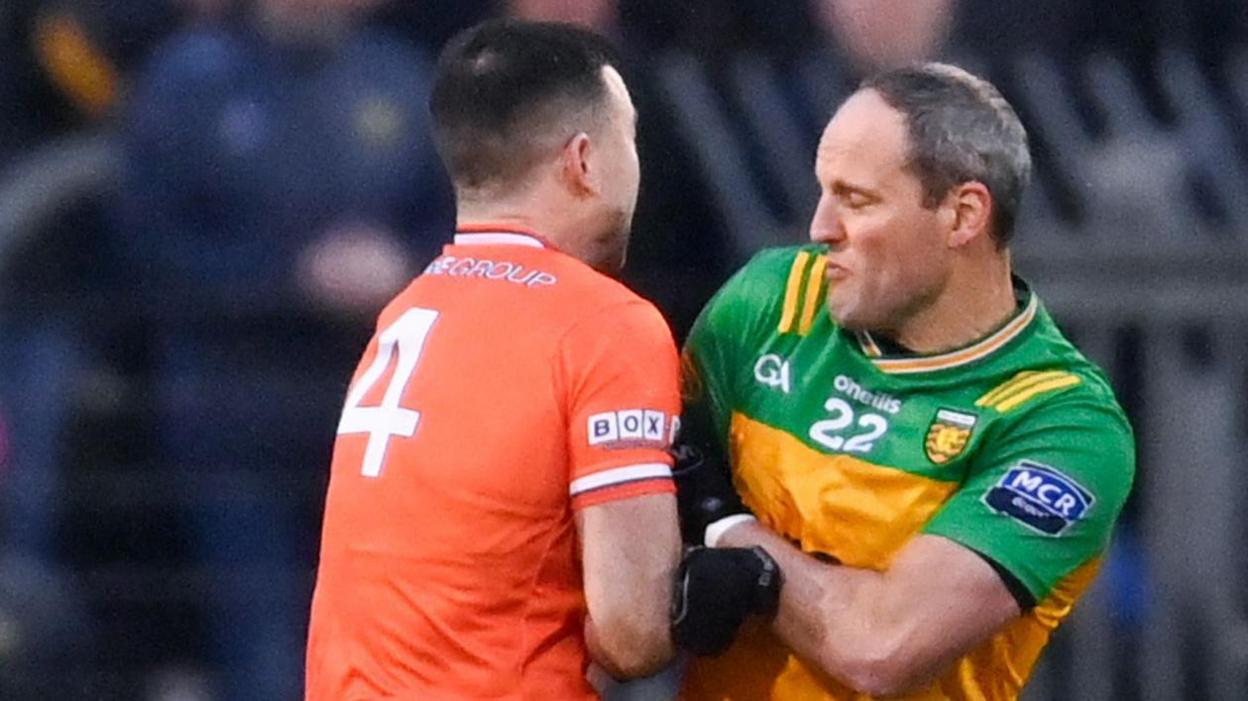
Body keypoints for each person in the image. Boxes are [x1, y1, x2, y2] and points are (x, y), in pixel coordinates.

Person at [673, 62, 1136, 700]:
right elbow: (656, 482)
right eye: (822, 191)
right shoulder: (770, 303)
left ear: (962, 216)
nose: (819, 228)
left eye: (856, 200)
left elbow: (880, 648)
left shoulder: (1062, 424)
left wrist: (728, 533)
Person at [306, 19, 708, 699]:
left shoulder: (405, 314)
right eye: (628, 139)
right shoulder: (604, 324)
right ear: (583, 161)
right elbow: (632, 634)